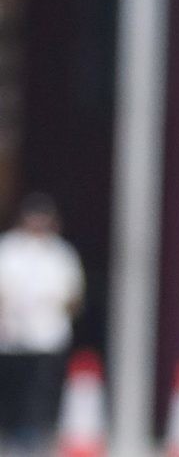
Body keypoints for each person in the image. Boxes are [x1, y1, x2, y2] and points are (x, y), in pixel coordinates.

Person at [0, 193, 84, 453]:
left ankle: (37, 435)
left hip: (48, 335)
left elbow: (73, 295)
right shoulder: (9, 249)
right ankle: (11, 436)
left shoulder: (60, 253)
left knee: (42, 390)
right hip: (12, 335)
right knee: (13, 388)